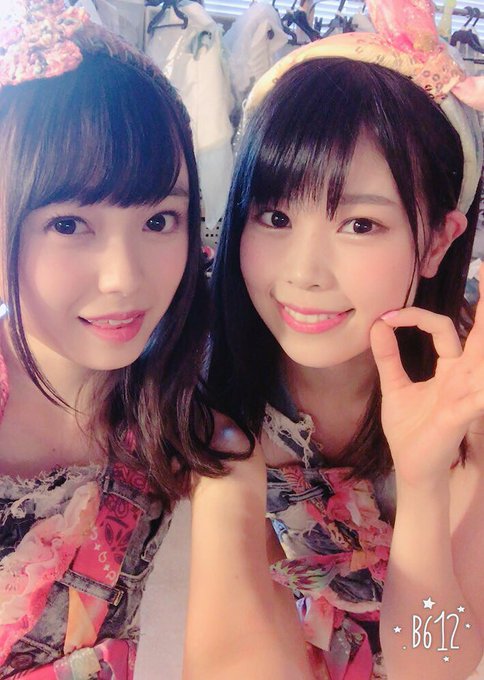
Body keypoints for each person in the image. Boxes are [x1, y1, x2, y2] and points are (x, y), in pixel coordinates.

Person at [0, 2, 281, 678]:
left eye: (159, 220)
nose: (125, 279)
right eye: (69, 225)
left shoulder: (193, 437)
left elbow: (242, 653)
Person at [208, 1, 484, 678]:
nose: (303, 273)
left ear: (437, 243)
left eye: (360, 225)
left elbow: (438, 663)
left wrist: (422, 483)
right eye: (274, 216)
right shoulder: (206, 384)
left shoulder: (467, 398)